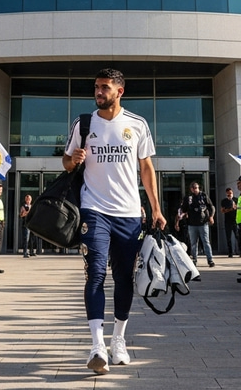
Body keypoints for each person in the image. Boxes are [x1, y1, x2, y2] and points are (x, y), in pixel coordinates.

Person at [63, 68, 166, 375]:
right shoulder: (83, 123)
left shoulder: (136, 124)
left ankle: (118, 339)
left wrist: (156, 209)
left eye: (105, 87)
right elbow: (66, 162)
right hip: (94, 210)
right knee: (94, 273)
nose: (99, 92)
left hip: (129, 214)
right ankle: (97, 345)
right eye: (96, 87)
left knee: (124, 279)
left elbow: (146, 168)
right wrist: (74, 160)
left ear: (120, 91)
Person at [180, 182, 215, 268]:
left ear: (198, 188)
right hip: (192, 224)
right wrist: (184, 210)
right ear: (190, 189)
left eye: (196, 187)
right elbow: (184, 209)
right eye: (192, 188)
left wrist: (211, 216)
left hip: (203, 223)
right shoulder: (188, 198)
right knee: (193, 243)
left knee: (206, 242)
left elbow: (211, 207)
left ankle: (210, 260)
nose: (194, 189)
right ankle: (194, 259)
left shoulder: (203, 196)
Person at [220, 187, 237, 258]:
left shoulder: (236, 199)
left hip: (235, 220)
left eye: (230, 193)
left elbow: (237, 207)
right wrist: (230, 209)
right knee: (228, 237)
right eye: (228, 194)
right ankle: (230, 252)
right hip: (227, 221)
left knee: (238, 236)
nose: (229, 195)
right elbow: (222, 211)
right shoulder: (224, 201)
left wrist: (234, 207)